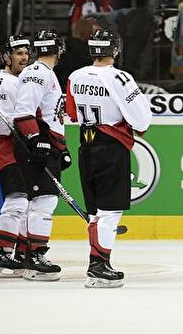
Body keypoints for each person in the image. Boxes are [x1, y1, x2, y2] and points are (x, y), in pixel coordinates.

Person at [65, 29, 152, 288]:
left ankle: (96, 261)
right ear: (114, 50)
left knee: (95, 212)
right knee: (110, 210)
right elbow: (142, 119)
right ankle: (99, 265)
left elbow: (71, 113)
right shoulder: (120, 78)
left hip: (85, 145)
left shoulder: (75, 76)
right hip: (111, 146)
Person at [12, 30, 70, 281]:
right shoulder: (37, 73)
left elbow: (51, 116)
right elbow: (24, 111)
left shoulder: (46, 74)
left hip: (46, 143)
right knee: (43, 201)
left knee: (41, 200)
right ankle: (35, 257)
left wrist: (62, 149)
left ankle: (28, 256)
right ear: (58, 49)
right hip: (37, 143)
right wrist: (37, 140)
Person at [0, 35, 32, 278]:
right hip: (9, 149)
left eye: (26, 53)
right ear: (6, 57)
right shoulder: (3, 83)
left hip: (18, 149)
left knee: (26, 203)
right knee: (17, 202)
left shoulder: (13, 81)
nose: (24, 57)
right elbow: (4, 125)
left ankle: (20, 254)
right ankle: (2, 253)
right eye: (18, 53)